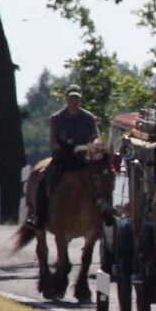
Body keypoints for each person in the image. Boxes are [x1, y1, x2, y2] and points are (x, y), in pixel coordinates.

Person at [30, 85, 99, 229]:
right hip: (63, 158)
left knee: (100, 178)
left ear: (81, 100)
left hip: (82, 159)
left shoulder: (89, 118)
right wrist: (62, 146)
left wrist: (89, 147)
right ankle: (39, 216)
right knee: (43, 180)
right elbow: (52, 143)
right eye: (71, 98)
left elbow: (96, 139)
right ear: (66, 99)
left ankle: (102, 215)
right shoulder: (56, 118)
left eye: (77, 98)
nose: (74, 101)